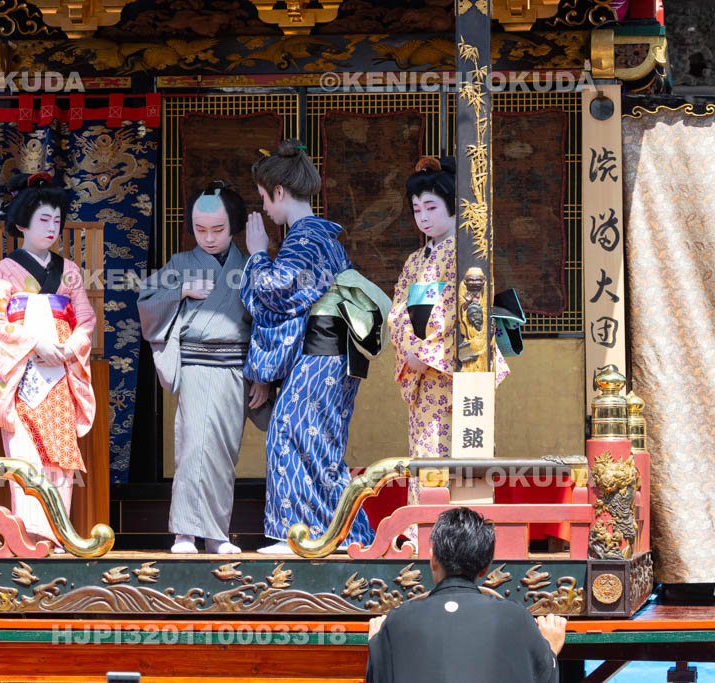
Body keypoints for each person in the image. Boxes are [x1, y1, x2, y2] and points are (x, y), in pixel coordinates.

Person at [240, 140, 378, 554]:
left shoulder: (308, 239)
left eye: (264, 197)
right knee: (315, 443)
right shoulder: (314, 238)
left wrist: (257, 256)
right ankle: (339, 537)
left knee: (296, 435)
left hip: (322, 357)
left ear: (278, 192)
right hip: (328, 356)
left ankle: (305, 536)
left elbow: (276, 295)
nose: (264, 208)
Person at [138, 181, 269, 555]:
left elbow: (265, 323)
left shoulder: (248, 267)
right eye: (200, 230)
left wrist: (261, 375)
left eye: (218, 230)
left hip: (235, 372)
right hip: (196, 366)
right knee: (193, 447)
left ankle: (216, 534)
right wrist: (179, 292)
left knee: (223, 455)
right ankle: (184, 533)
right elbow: (147, 302)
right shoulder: (181, 265)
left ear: (234, 226)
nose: (209, 239)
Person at [0, 171, 95, 551]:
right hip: (24, 373)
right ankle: (28, 534)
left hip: (59, 372)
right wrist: (35, 342)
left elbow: (86, 319)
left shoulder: (70, 272)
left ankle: (59, 534)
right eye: (44, 219)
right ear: (22, 223)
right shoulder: (5, 271)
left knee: (59, 452)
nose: (52, 227)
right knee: (26, 453)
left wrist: (70, 344)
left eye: (57, 220)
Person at [386, 158, 509, 509]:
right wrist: (412, 351)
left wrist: (426, 354)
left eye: (430, 207)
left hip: (457, 372)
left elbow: (470, 313)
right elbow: (398, 313)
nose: (422, 217)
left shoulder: (467, 254)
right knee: (426, 450)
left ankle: (466, 528)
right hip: (424, 376)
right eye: (416, 209)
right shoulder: (415, 261)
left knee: (462, 447)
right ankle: (424, 528)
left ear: (453, 207)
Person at [365, 507, 567, 683]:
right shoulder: (516, 618)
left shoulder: (398, 621)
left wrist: (377, 643)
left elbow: (380, 675)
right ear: (486, 566)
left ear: (432, 557)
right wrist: (550, 649)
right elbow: (542, 676)